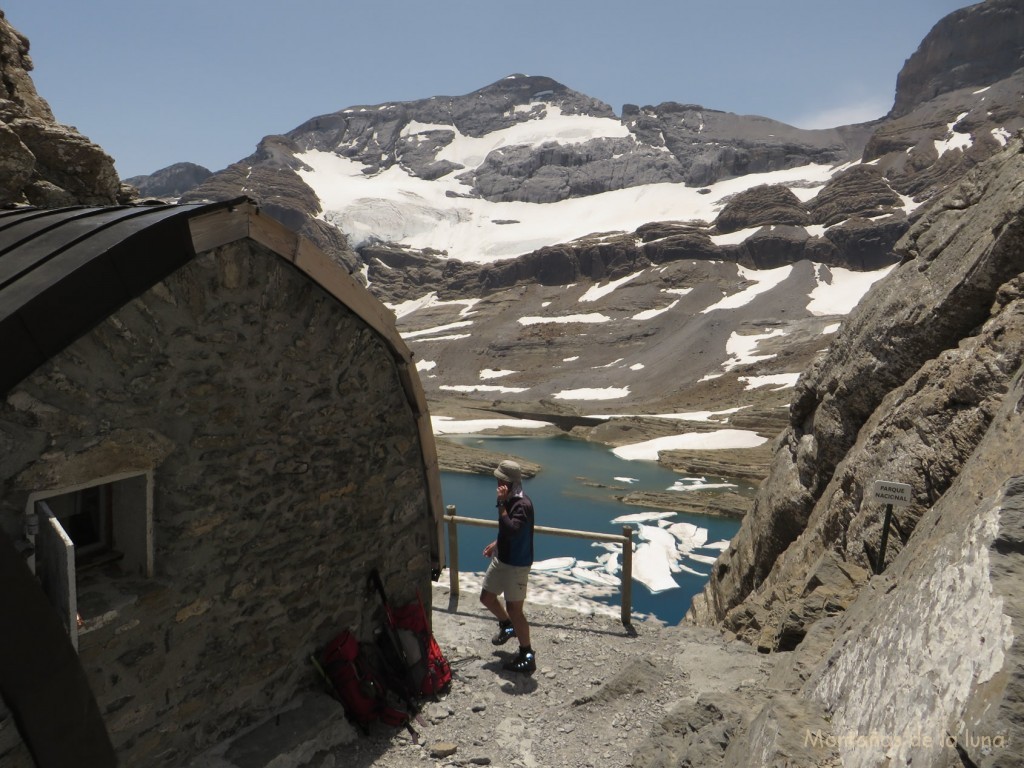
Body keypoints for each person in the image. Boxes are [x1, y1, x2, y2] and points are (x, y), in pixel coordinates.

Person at [480, 459, 536, 674]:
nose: (497, 483)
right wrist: (496, 544)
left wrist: (501, 505)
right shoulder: (511, 500)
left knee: (515, 609)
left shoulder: (522, 504)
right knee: (487, 597)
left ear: (509, 483)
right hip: (502, 558)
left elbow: (513, 530)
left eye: (500, 480)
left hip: (517, 565)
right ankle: (506, 625)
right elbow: (509, 531)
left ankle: (526, 654)